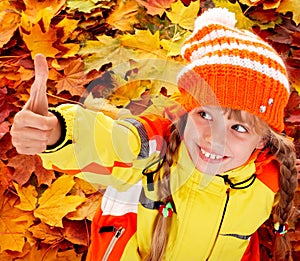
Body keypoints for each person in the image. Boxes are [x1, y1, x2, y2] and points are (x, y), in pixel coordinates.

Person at [10, 7, 298, 261]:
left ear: (263, 139)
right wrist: (57, 132)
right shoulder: (154, 151)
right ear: (185, 112)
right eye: (205, 115)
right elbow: (113, 141)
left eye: (238, 127)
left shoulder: (269, 181)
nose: (214, 138)